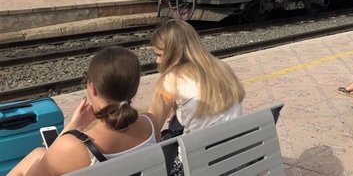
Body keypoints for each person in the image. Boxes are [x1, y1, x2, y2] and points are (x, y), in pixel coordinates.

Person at [9, 47, 158, 176]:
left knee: (34, 158)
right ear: (134, 87)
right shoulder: (151, 123)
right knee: (38, 153)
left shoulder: (74, 147)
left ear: (92, 88)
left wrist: (74, 127)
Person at [148, 20, 245, 133]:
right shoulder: (222, 68)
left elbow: (151, 129)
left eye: (159, 55)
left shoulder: (171, 79)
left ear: (174, 53)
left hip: (198, 149)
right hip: (235, 144)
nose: (158, 61)